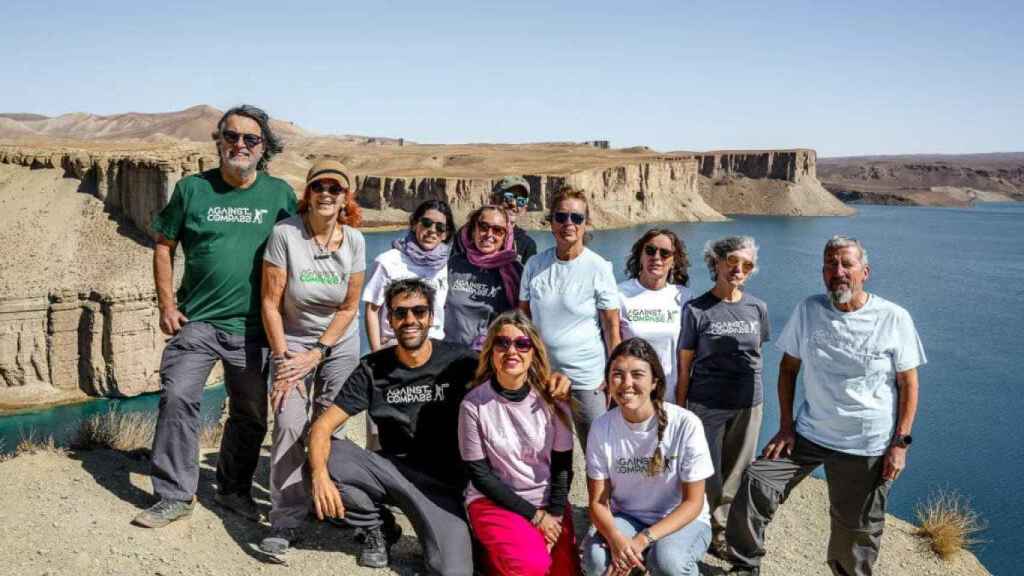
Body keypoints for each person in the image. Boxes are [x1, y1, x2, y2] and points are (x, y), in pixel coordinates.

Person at [306, 279, 571, 574]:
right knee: (328, 458)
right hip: (394, 471)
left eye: (419, 311)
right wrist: (319, 476)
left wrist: (553, 379)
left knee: (452, 571)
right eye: (400, 313)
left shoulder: (461, 361)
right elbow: (322, 427)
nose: (410, 320)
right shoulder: (372, 368)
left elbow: (510, 369)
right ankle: (377, 526)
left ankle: (459, 536)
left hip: (447, 485)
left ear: (431, 317)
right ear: (389, 319)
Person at [133, 105, 296, 528]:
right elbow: (164, 244)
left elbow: (302, 247)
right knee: (178, 397)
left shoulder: (279, 194)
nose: (240, 145)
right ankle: (174, 495)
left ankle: (233, 490)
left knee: (251, 414)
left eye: (250, 139)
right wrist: (166, 305)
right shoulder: (192, 189)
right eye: (231, 136)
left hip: (254, 328)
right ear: (219, 141)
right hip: (198, 322)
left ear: (263, 147)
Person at [725, 236, 925, 576]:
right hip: (810, 434)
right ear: (823, 273)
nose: (839, 271)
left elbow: (909, 384)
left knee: (855, 535)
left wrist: (900, 443)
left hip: (866, 445)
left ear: (865, 272)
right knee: (758, 481)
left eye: (847, 264)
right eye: (831, 264)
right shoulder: (809, 310)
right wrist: (786, 426)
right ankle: (744, 567)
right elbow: (788, 369)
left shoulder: (893, 318)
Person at [257, 159, 365, 555]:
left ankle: (328, 499)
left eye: (335, 189)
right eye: (319, 186)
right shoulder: (285, 234)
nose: (326, 194)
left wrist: (320, 352)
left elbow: (349, 307)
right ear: (308, 193)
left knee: (330, 425)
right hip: (292, 341)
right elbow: (270, 303)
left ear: (345, 197)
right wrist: (283, 360)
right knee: (288, 422)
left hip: (337, 343)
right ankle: (285, 518)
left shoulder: (354, 241)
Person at [458, 310, 578, 576]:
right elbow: (480, 475)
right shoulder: (473, 404)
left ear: (533, 352)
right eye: (502, 343)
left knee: (562, 572)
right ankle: (492, 553)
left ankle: (493, 559)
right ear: (491, 352)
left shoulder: (553, 400)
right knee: (532, 567)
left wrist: (555, 516)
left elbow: (562, 467)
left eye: (522, 344)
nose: (511, 351)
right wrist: (536, 517)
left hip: (546, 501)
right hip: (495, 502)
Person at [583, 338, 713, 576]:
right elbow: (597, 502)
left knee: (667, 562)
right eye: (618, 374)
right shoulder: (601, 428)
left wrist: (643, 539)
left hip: (680, 519)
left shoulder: (686, 424)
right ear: (608, 381)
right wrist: (615, 538)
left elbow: (693, 503)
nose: (627, 383)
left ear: (655, 382)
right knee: (595, 561)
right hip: (628, 517)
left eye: (637, 374)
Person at [676, 235, 770, 557]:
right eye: (732, 261)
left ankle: (723, 533)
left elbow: (757, 353)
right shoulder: (696, 309)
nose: (738, 269)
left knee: (737, 472)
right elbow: (685, 364)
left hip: (748, 403)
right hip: (706, 403)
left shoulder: (757, 308)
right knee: (709, 471)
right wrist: (681, 408)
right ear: (716, 262)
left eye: (747, 265)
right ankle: (704, 527)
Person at [519, 187, 620, 449]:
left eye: (576, 218)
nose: (568, 224)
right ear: (551, 222)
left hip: (587, 379)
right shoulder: (534, 266)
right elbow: (523, 320)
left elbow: (611, 326)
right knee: (543, 450)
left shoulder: (599, 267)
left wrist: (614, 372)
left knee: (597, 451)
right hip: (543, 376)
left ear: (586, 223)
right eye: (561, 217)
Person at [361, 199, 454, 449]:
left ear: (446, 234)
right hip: (393, 348)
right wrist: (378, 353)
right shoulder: (388, 261)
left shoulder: (445, 265)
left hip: (433, 353)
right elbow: (371, 309)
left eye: (440, 227)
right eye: (427, 223)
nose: (432, 231)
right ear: (414, 224)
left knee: (426, 424)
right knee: (383, 424)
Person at [618, 228, 693, 403]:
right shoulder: (619, 295)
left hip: (669, 397)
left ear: (674, 261)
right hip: (630, 396)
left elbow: (686, 360)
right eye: (650, 250)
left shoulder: (685, 297)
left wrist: (681, 402)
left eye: (665, 253)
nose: (656, 257)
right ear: (640, 256)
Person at [444, 205, 522, 350]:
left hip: (492, 355)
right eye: (483, 227)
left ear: (505, 236)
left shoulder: (516, 273)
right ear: (474, 230)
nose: (489, 234)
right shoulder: (452, 265)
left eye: (498, 230)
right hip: (449, 354)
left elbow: (521, 319)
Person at [492, 175, 537, 264]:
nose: (513, 204)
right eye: (509, 197)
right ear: (494, 200)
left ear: (524, 209)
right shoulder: (474, 235)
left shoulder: (527, 245)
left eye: (521, 201)